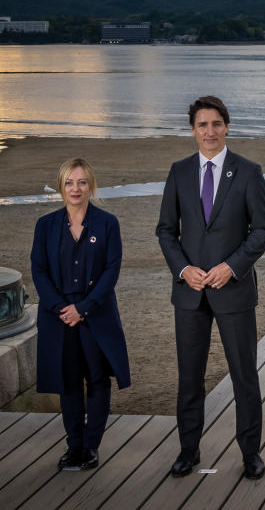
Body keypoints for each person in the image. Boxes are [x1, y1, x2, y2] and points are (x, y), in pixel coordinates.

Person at [156, 96, 265, 480]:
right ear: (193, 129)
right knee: (190, 377)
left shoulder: (248, 171)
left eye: (216, 124)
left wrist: (232, 267)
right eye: (202, 125)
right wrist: (184, 269)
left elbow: (261, 231)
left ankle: (251, 453)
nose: (210, 131)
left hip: (233, 290)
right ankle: (188, 450)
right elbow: (166, 231)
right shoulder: (179, 171)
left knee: (244, 376)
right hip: (189, 293)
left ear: (227, 127)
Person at [31, 158, 130, 471]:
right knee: (69, 381)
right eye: (70, 183)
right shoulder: (45, 226)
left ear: (91, 185)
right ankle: (73, 446)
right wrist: (61, 308)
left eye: (82, 182)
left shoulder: (107, 223)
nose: (76, 189)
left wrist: (83, 308)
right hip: (58, 315)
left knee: (98, 380)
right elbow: (38, 269)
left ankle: (90, 447)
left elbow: (111, 270)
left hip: (95, 313)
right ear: (61, 186)